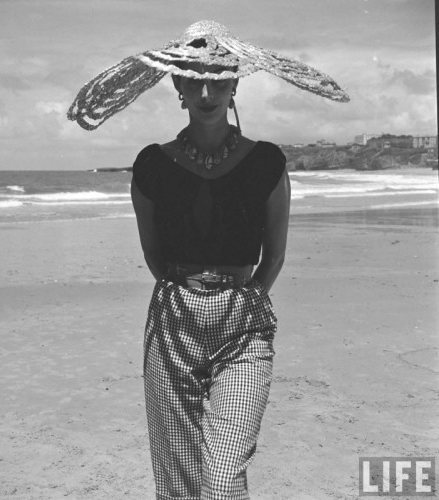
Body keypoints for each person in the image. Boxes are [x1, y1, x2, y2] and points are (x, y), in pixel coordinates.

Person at [68, 20, 349, 500]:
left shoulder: (267, 162)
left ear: (235, 82)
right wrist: (190, 289)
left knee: (221, 477)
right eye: (194, 78)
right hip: (172, 323)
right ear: (176, 84)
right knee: (178, 483)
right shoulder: (151, 165)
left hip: (244, 327)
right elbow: (153, 255)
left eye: (218, 79)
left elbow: (274, 256)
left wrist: (240, 298)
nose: (206, 90)